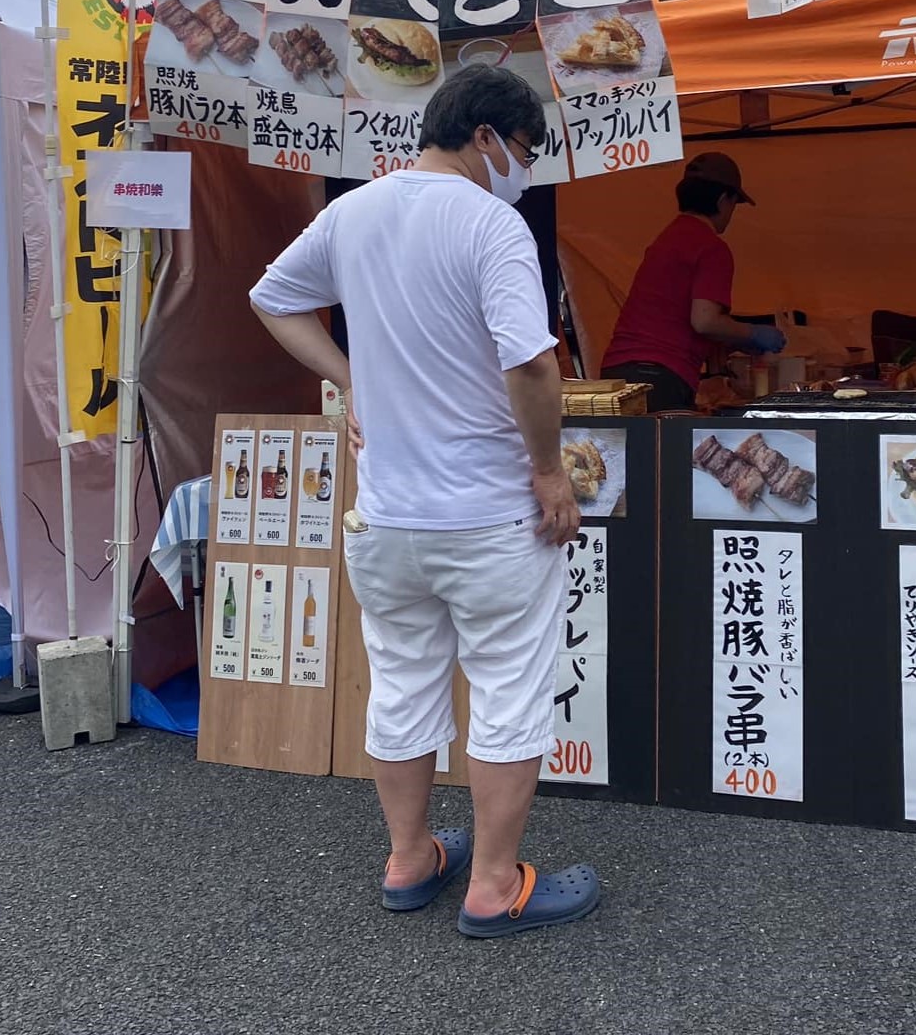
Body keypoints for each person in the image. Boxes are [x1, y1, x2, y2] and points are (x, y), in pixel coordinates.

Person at [249, 65, 599, 940]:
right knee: (509, 691)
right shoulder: (494, 225)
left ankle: (409, 860)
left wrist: (351, 379)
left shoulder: (353, 210)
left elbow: (273, 298)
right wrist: (551, 471)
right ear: (486, 136)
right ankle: (491, 884)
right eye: (524, 149)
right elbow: (530, 363)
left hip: (387, 517)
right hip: (487, 518)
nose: (526, 166)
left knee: (402, 685)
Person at [601, 152, 784, 411]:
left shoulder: (667, 238)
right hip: (661, 377)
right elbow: (705, 321)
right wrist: (753, 333)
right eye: (734, 204)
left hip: (616, 373)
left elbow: (672, 314)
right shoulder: (711, 247)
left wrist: (738, 340)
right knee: (660, 452)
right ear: (723, 200)